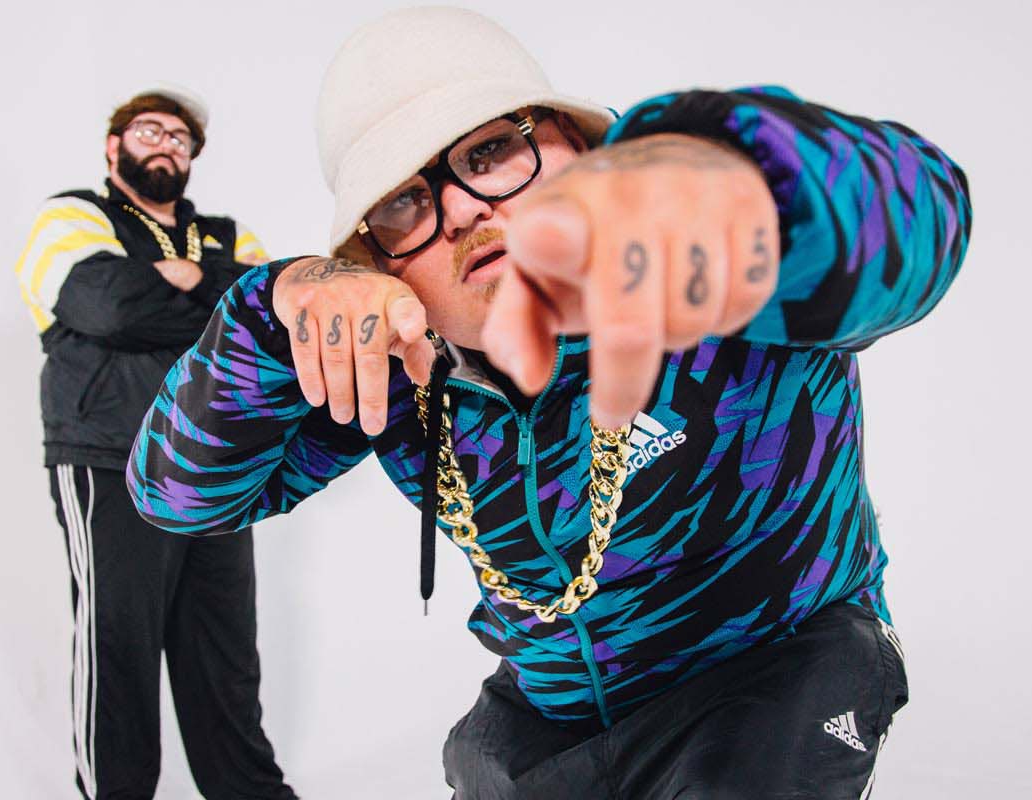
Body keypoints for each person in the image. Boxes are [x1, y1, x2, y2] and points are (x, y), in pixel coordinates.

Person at [129, 7, 971, 798]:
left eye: (492, 151)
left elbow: (919, 220)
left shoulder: (721, 271)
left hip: (773, 676)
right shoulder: (399, 372)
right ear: (381, 268)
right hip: (551, 718)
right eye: (404, 202)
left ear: (578, 148)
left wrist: (758, 180)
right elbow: (179, 497)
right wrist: (277, 309)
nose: (462, 209)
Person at [13, 86, 296, 800]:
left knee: (225, 654)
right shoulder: (72, 216)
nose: (166, 143)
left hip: (217, 466)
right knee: (119, 647)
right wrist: (213, 305)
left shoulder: (227, 237)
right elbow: (104, 305)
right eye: (149, 130)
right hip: (110, 455)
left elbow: (274, 320)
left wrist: (192, 275)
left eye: (180, 137)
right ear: (115, 146)